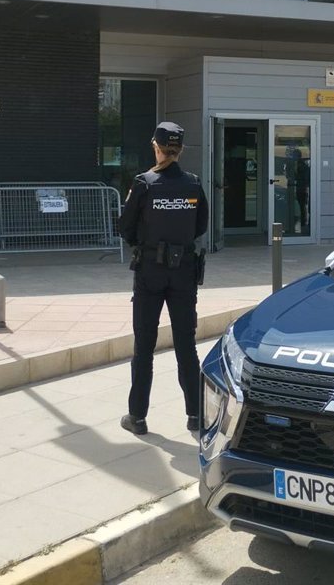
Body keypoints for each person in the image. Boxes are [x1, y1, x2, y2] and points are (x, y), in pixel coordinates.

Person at [118, 121, 209, 438]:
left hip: (150, 272)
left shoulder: (144, 184)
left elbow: (125, 227)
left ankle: (138, 417)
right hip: (183, 270)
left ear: (156, 147)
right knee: (186, 344)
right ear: (180, 150)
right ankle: (196, 415)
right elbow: (201, 226)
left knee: (144, 346)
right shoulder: (193, 185)